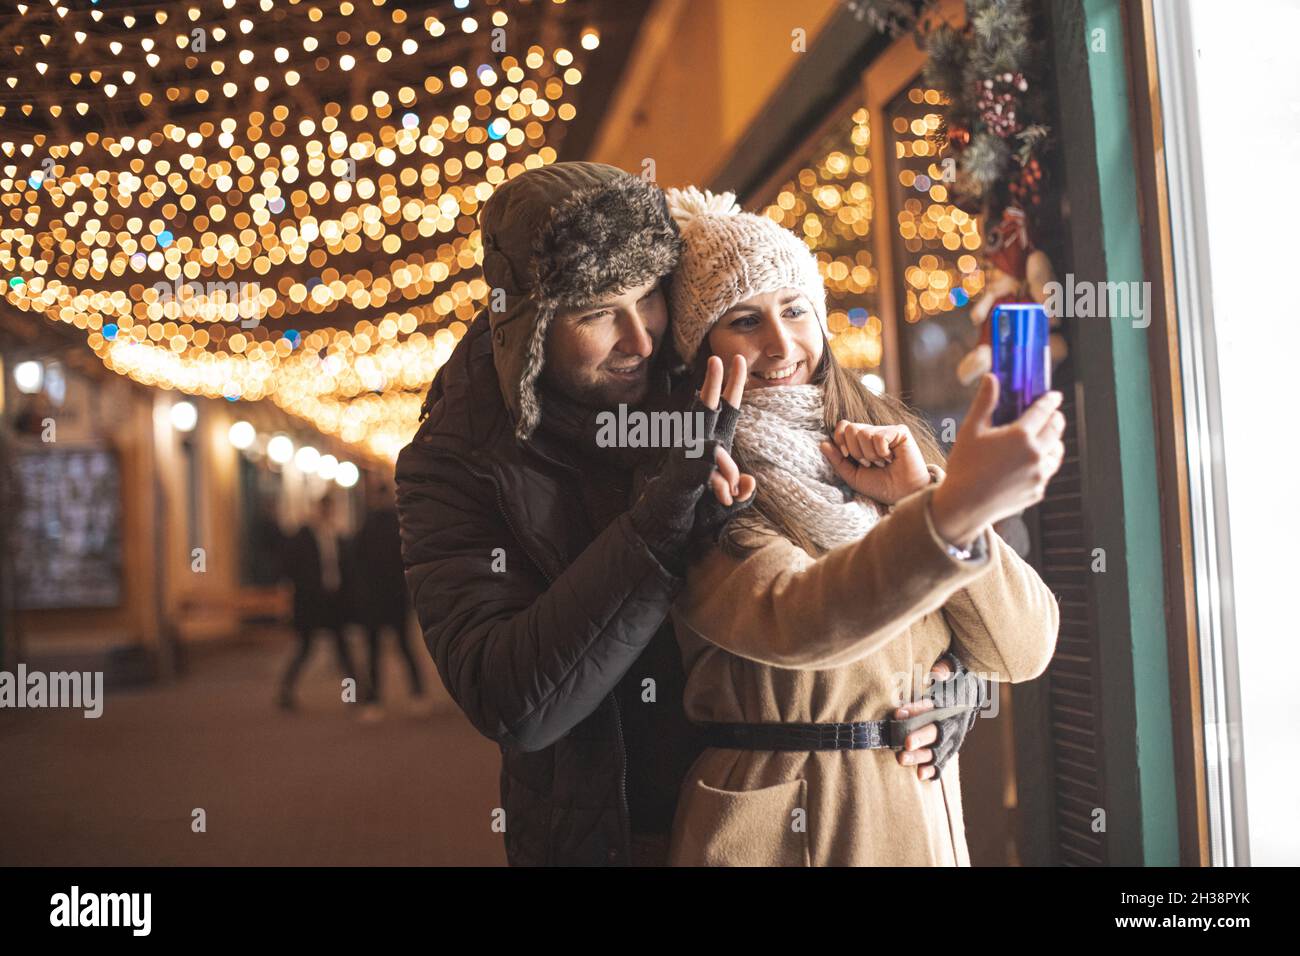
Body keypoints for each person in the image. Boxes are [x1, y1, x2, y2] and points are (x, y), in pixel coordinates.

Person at [394, 162, 978, 867]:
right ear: (527, 327)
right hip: (615, 832)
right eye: (595, 314)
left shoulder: (696, 372)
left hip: (764, 814)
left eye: (647, 299)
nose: (638, 337)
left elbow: (842, 570)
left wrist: (945, 682)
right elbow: (513, 700)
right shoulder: (454, 460)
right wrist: (662, 517)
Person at [661, 187, 1063, 866]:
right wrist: (948, 513)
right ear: (700, 346)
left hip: (914, 813)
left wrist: (919, 496)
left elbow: (1023, 651)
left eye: (795, 310)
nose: (781, 343)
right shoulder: (694, 477)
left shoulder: (889, 445)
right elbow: (799, 620)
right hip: (785, 824)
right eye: (744, 321)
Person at [347, 475, 426, 719]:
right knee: (401, 648)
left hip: (377, 598)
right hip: (392, 597)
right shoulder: (397, 525)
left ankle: (376, 701)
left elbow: (355, 564)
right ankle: (416, 695)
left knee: (377, 651)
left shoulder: (367, 526)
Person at [277, 495, 362, 711]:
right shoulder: (302, 537)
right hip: (311, 601)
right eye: (323, 509)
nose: (326, 513)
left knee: (343, 650)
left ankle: (352, 695)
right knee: (305, 648)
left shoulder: (335, 536)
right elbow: (289, 567)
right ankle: (285, 691)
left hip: (334, 601)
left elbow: (345, 568)